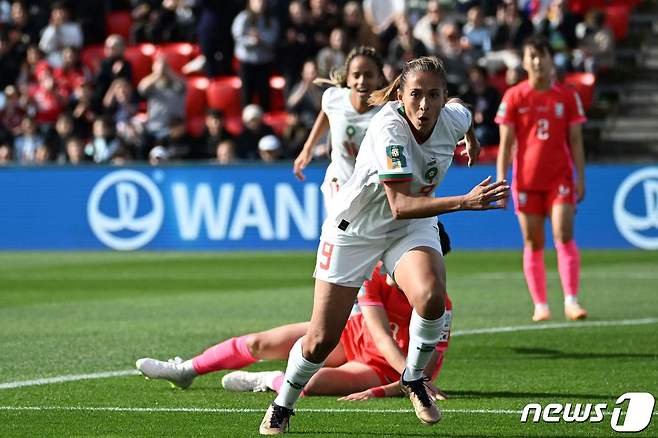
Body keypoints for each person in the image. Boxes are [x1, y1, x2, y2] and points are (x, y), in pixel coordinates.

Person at [260, 56, 509, 435]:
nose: (425, 105)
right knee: (321, 340)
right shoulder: (389, 128)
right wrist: (465, 201)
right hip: (357, 229)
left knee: (431, 297)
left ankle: (413, 379)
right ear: (400, 94)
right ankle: (283, 403)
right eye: (416, 95)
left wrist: (470, 140)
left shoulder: (452, 116)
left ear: (445, 97)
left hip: (410, 228)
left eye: (434, 95)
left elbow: (466, 114)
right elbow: (400, 204)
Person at [135, 223, 454, 402]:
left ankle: (267, 379)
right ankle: (187, 370)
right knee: (260, 343)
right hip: (349, 336)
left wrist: (391, 387)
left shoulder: (439, 302)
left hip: (382, 367)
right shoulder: (373, 276)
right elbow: (380, 334)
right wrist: (415, 380)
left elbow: (430, 361)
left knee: (312, 384)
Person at [495, 36, 587, 323]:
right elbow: (505, 143)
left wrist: (580, 176)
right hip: (526, 180)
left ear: (550, 59)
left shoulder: (567, 96)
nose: (537, 61)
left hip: (559, 178)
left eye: (542, 55)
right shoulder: (514, 96)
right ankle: (541, 305)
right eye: (532, 56)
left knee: (563, 234)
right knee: (533, 242)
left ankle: (571, 301)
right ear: (524, 62)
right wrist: (502, 181)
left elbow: (575, 140)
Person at [293, 46, 386, 210]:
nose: (362, 81)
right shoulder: (333, 97)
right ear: (348, 79)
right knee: (337, 231)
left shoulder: (387, 113)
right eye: (356, 75)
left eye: (369, 75)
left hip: (372, 192)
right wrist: (308, 148)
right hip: (338, 184)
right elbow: (326, 112)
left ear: (379, 78)